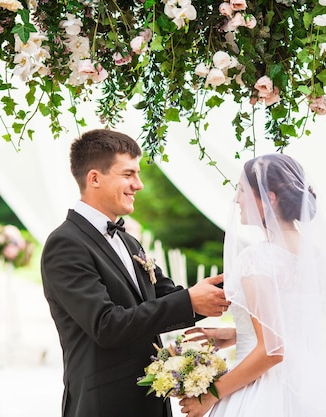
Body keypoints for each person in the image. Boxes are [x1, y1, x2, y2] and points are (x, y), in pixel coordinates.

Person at [41, 129, 228, 417]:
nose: (138, 185)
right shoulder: (66, 244)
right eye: (128, 174)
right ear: (94, 178)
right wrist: (189, 300)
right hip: (105, 405)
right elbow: (106, 325)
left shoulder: (128, 241)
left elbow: (168, 297)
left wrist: (239, 283)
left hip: (150, 402)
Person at [179, 153, 326, 417]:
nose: (236, 200)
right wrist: (236, 335)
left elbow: (273, 350)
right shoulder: (313, 255)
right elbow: (293, 330)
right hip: (303, 387)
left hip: (263, 391)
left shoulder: (257, 258)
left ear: (269, 198)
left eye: (241, 190)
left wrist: (211, 394)